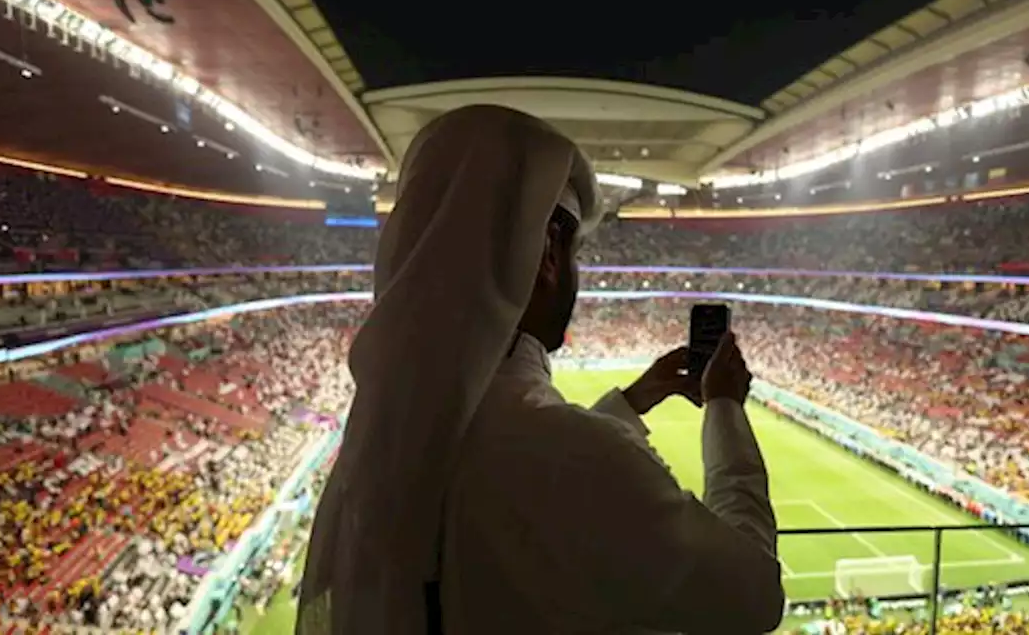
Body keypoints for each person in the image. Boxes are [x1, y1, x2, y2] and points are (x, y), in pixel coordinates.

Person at [298, 105, 784, 634]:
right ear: (548, 251)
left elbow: (523, 466)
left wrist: (631, 402)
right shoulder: (567, 454)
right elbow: (752, 597)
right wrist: (725, 409)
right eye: (575, 251)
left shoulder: (384, 440)